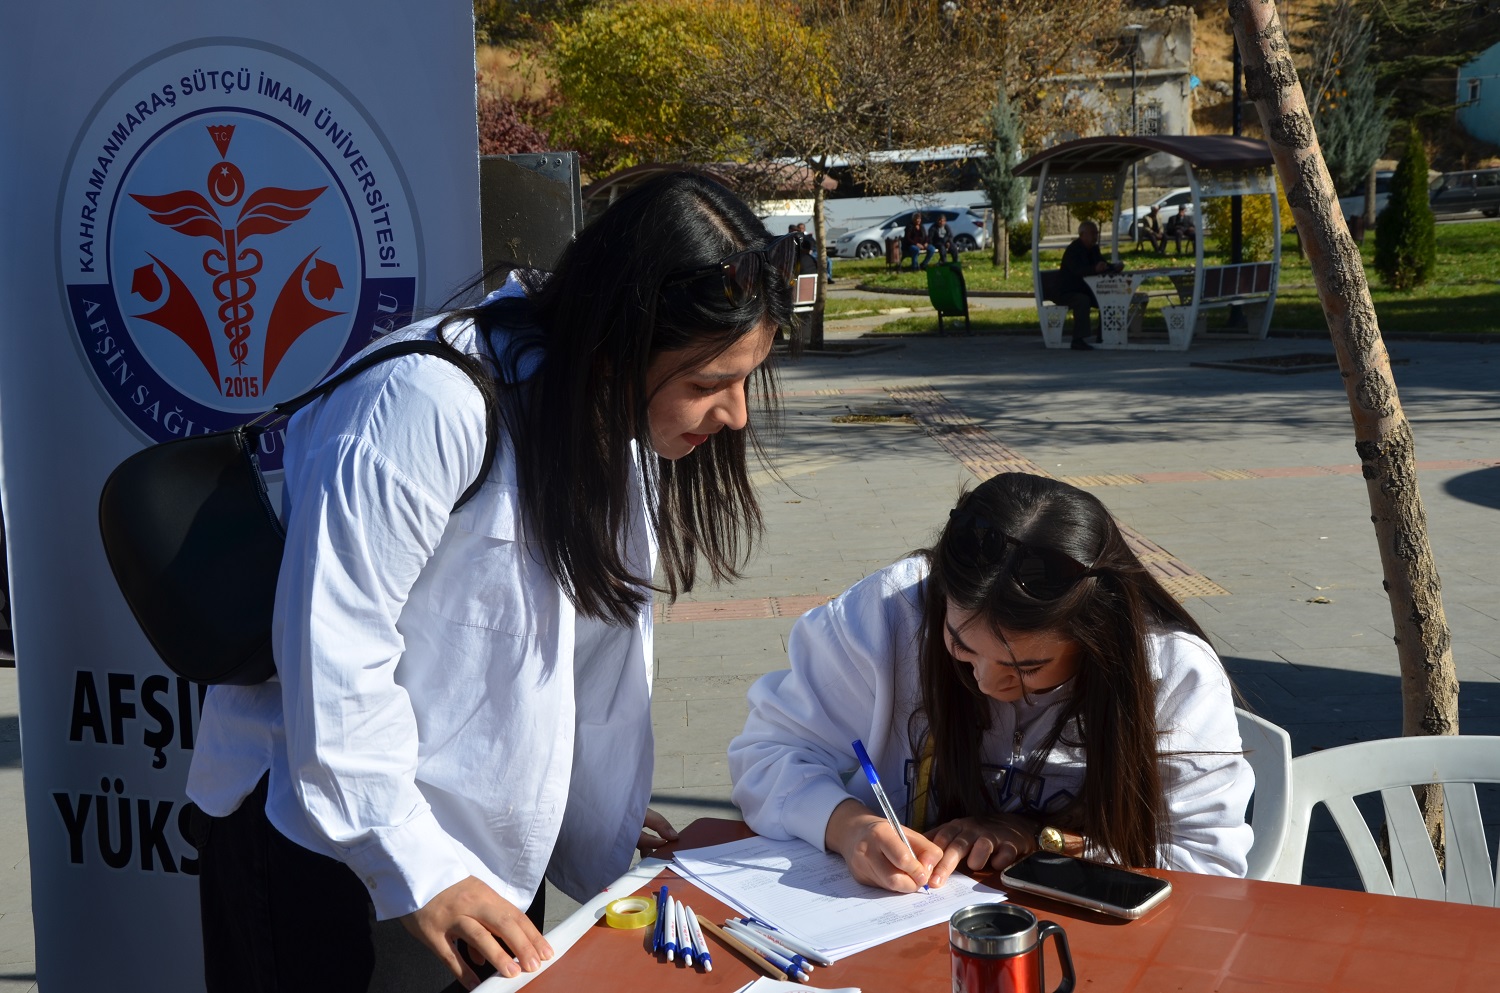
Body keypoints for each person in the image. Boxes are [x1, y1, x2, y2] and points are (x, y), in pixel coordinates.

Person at [187, 172, 795, 993]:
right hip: (337, 851)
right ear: (615, 341)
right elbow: (335, 664)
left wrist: (601, 830)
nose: (736, 415)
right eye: (707, 383)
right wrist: (419, 867)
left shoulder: (597, 414)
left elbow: (585, 662)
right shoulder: (420, 405)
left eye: (744, 380)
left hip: (478, 858)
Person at [729, 472, 1253, 895]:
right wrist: (848, 827)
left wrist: (1042, 840)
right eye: (960, 645)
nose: (984, 681)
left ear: (1096, 638)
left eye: (1027, 669)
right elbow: (768, 753)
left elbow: (1204, 860)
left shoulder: (1170, 672)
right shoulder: (887, 617)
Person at [1057, 221, 1119, 351]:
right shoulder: (1073, 250)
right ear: (1082, 234)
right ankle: (1078, 339)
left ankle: (1104, 335)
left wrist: (1113, 267)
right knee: (1082, 301)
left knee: (1108, 298)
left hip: (1087, 290)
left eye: (1096, 233)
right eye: (1092, 233)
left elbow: (1101, 263)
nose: (1095, 236)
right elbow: (1078, 270)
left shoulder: (1094, 249)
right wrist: (1094, 269)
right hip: (1068, 292)